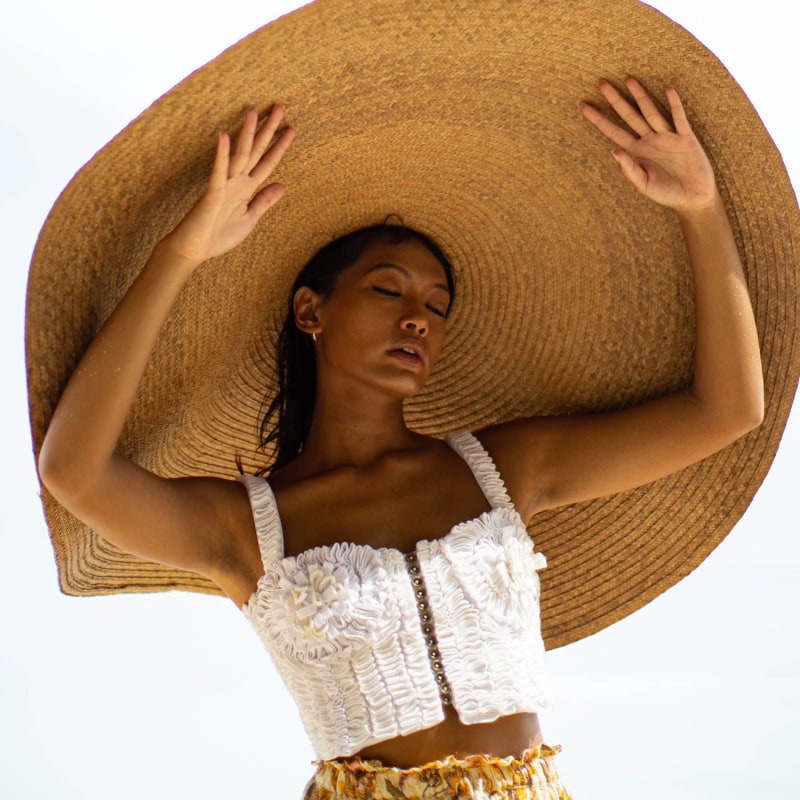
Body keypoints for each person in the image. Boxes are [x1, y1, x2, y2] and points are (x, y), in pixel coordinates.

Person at [37, 78, 763, 799]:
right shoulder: (246, 527)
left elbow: (726, 409)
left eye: (437, 305)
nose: (418, 317)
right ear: (310, 311)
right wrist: (183, 253)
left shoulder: (503, 469)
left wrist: (700, 209)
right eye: (389, 290)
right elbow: (73, 470)